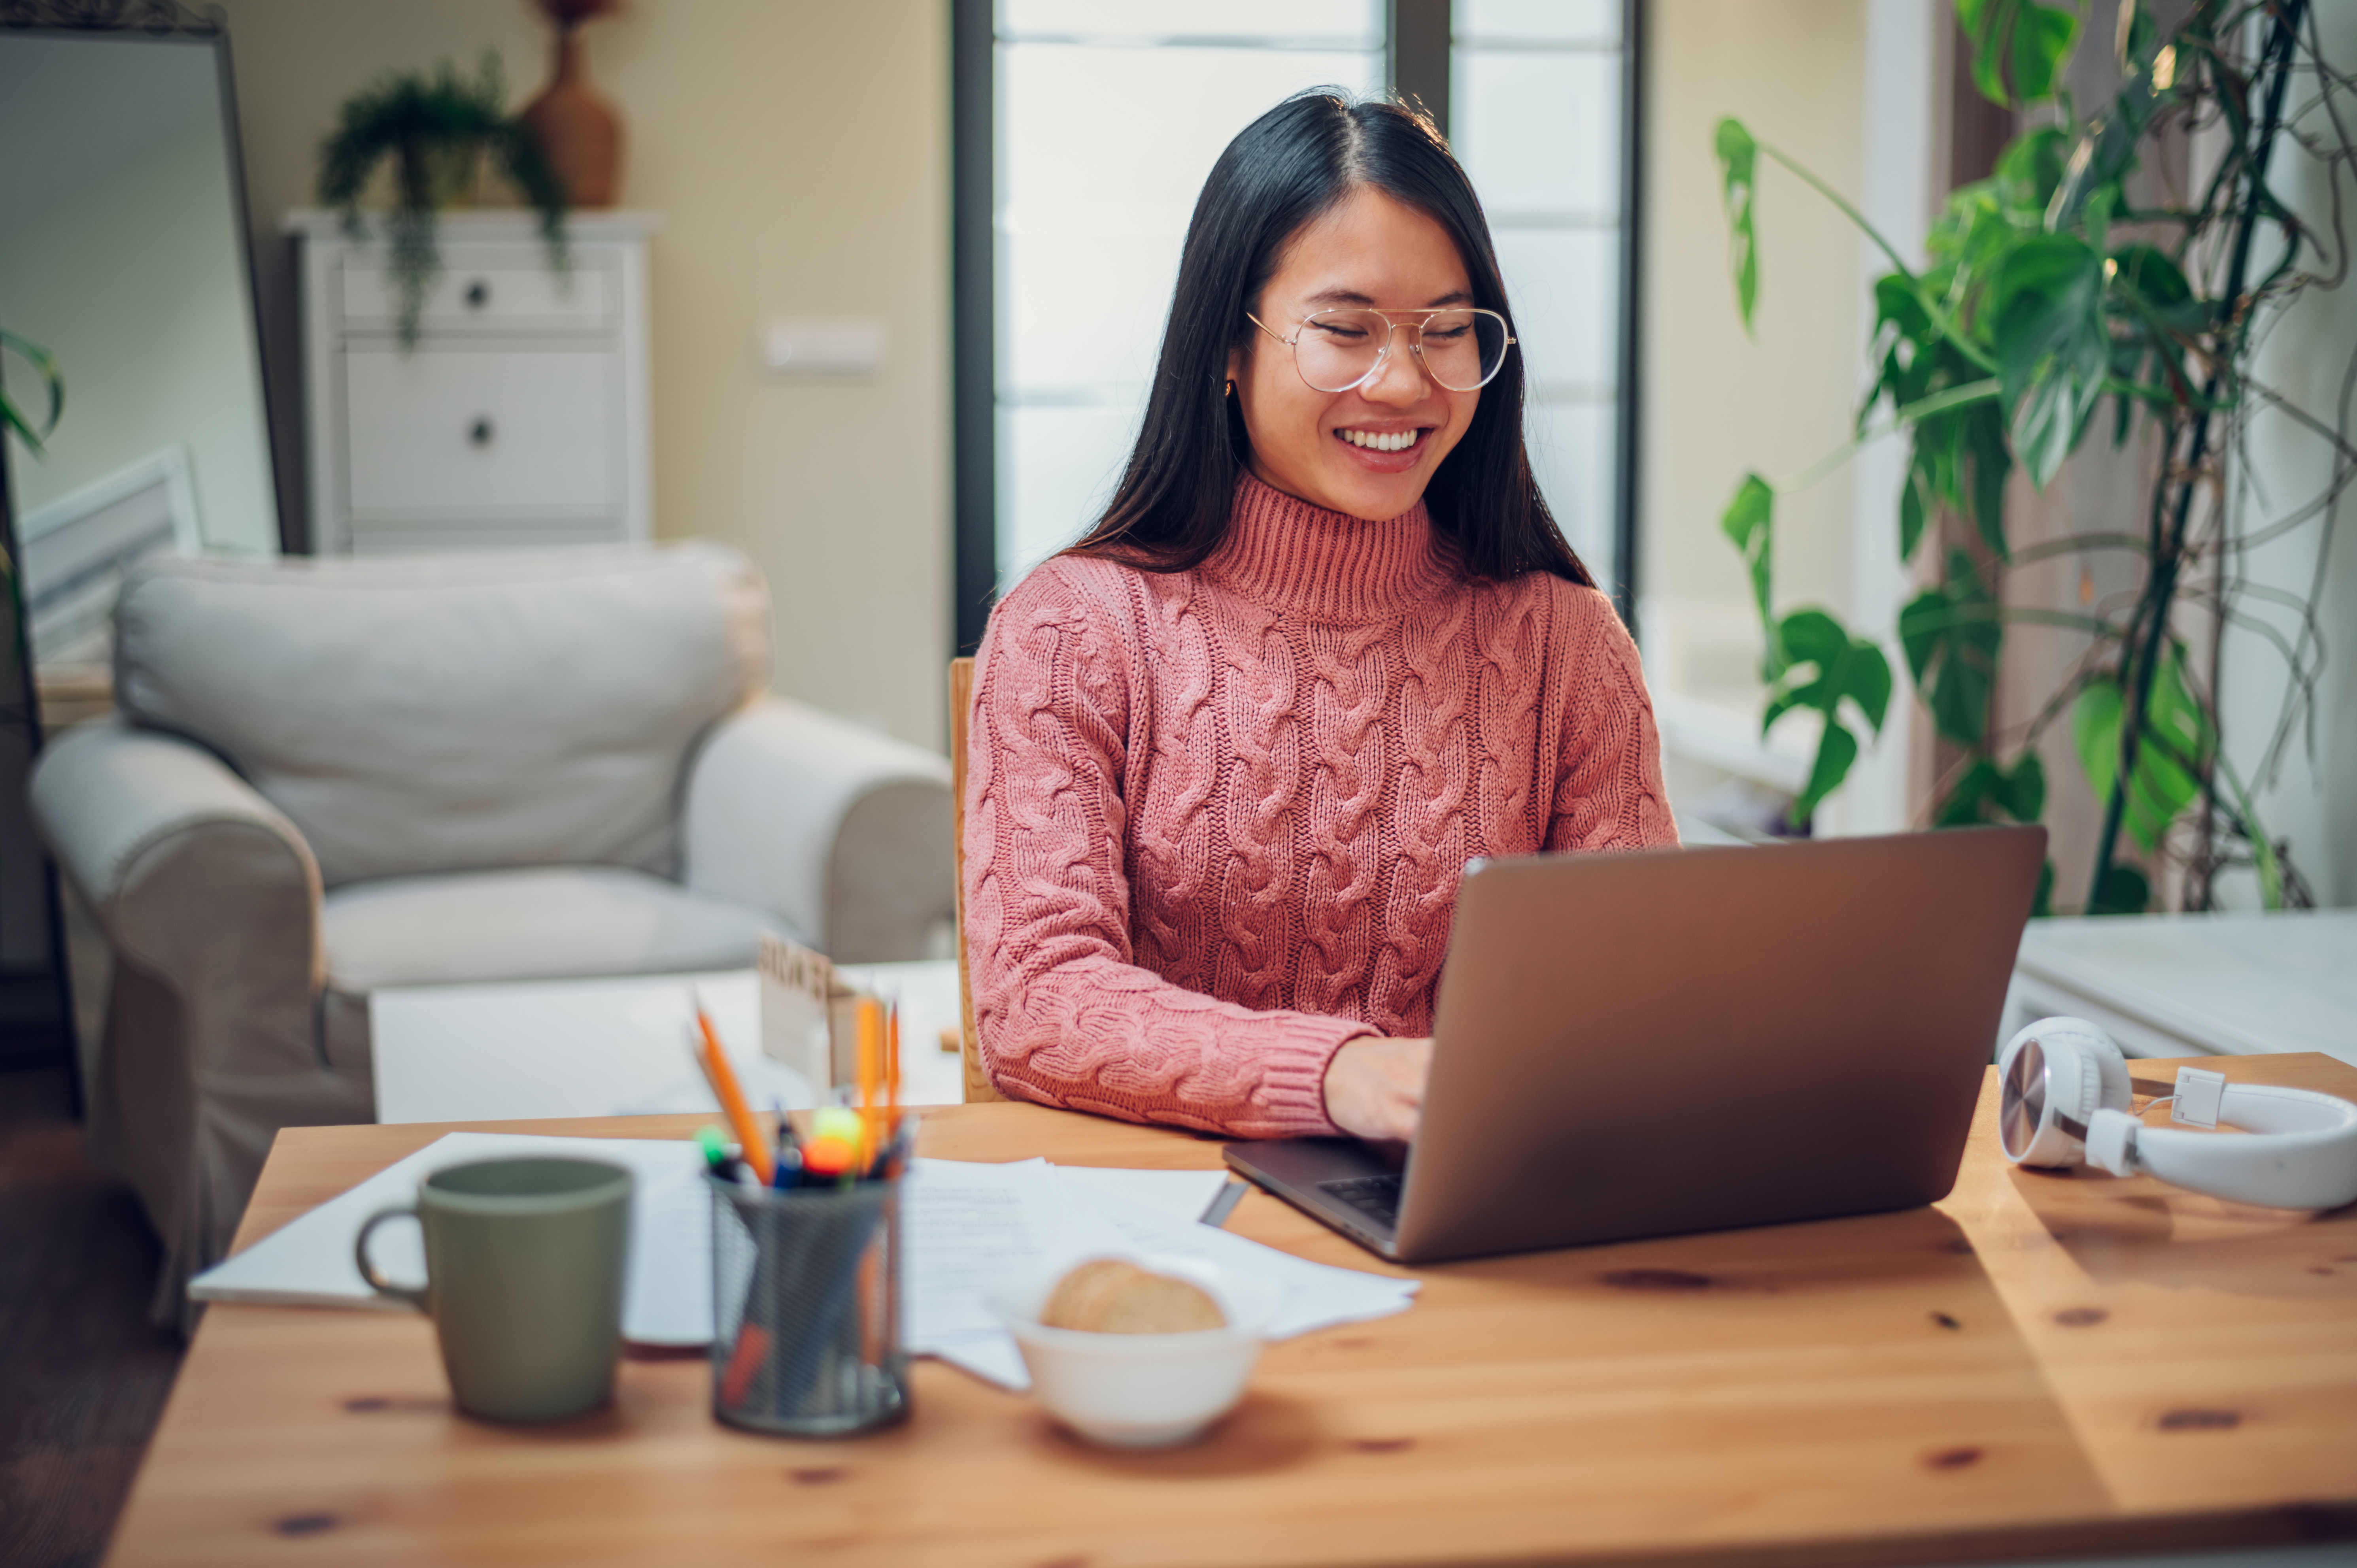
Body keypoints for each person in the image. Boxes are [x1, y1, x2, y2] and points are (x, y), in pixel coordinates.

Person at [961, 92, 1677, 1146]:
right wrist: (1338, 1076)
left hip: (1465, 1218)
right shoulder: (1072, 630)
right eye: (1344, 331)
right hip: (1160, 1225)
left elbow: (1640, 993)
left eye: (1446, 332)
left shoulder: (1563, 643)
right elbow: (1036, 999)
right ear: (1228, 345)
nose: (1403, 381)